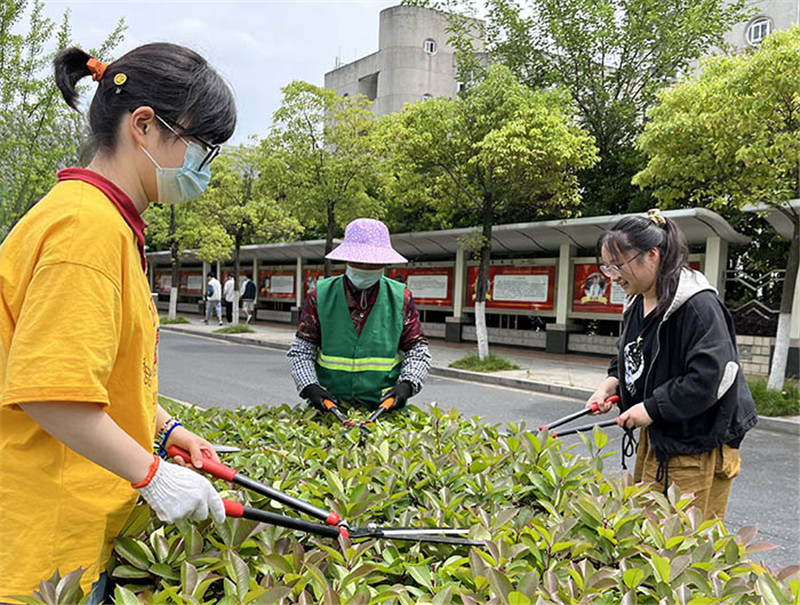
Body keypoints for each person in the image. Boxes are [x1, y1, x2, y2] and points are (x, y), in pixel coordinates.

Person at [0, 43, 237, 602]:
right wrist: (152, 474)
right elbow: (51, 394)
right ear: (144, 126)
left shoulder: (103, 221)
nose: (204, 168)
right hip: (45, 552)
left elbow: (98, 373)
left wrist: (167, 430)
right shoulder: (86, 230)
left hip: (69, 532)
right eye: (203, 148)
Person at [586, 209, 757, 521]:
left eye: (618, 266)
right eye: (606, 267)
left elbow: (712, 376)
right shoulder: (637, 301)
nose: (612, 276)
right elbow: (631, 353)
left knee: (686, 539)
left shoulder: (698, 306)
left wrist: (651, 408)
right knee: (647, 531)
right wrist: (610, 384)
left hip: (697, 445)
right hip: (658, 435)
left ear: (652, 255)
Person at [287, 218, 431, 414]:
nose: (365, 266)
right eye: (359, 261)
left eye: (372, 263)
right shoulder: (320, 296)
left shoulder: (400, 298)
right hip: (329, 407)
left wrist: (407, 384)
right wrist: (310, 386)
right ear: (347, 259)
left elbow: (417, 350)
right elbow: (302, 351)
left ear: (383, 262)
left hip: (384, 409)